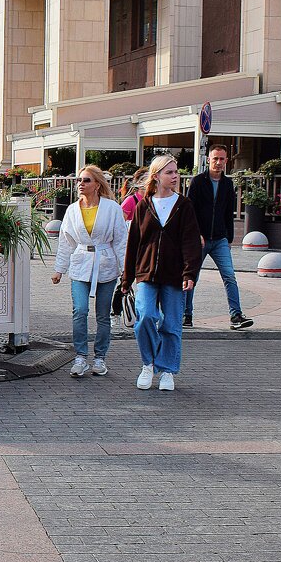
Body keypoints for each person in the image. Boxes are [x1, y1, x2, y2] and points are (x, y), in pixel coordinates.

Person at [120, 154, 202, 392]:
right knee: (145, 316)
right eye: (170, 172)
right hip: (146, 273)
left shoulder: (184, 205)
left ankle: (167, 371)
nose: (175, 176)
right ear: (156, 176)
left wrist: (189, 274)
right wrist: (126, 278)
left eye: (176, 172)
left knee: (172, 325)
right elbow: (133, 242)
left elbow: (191, 242)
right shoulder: (143, 205)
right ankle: (148, 363)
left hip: (175, 275)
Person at [52, 166, 128, 377]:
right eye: (79, 180)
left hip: (106, 265)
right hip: (80, 263)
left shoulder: (112, 208)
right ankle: (80, 356)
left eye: (86, 180)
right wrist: (59, 269)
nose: (80, 184)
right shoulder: (71, 210)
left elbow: (121, 241)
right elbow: (66, 241)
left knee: (103, 314)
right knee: (80, 311)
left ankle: (100, 358)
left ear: (97, 184)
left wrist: (125, 271)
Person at [186, 146, 253, 330]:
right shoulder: (198, 182)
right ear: (208, 159)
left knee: (229, 276)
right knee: (192, 276)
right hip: (199, 239)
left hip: (220, 239)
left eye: (222, 159)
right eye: (215, 158)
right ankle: (186, 314)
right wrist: (195, 234)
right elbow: (189, 211)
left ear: (226, 161)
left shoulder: (227, 184)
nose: (218, 163)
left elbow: (227, 212)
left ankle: (236, 315)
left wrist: (229, 238)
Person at [110, 167, 147, 332]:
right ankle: (115, 313)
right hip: (130, 249)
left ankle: (143, 316)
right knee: (125, 283)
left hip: (146, 250)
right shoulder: (131, 201)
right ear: (139, 183)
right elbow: (119, 226)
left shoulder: (154, 200)